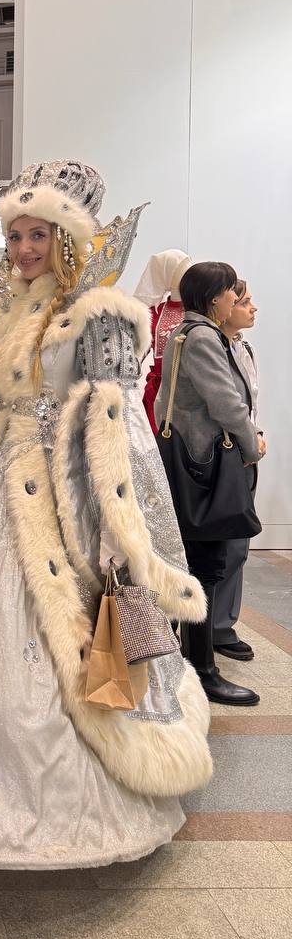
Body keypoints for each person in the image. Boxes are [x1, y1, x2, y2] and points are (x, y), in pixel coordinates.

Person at [0, 160, 213, 869]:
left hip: (69, 500)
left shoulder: (102, 315)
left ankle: (83, 807)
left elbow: (120, 434)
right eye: (16, 235)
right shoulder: (11, 311)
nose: (25, 248)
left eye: (38, 234)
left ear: (67, 236)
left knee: (74, 647)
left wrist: (121, 536)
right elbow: (1, 405)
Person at [156, 262, 263, 706]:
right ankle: (202, 671)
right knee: (205, 565)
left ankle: (183, 664)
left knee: (193, 563)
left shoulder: (188, 333)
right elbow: (227, 404)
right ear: (214, 297)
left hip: (193, 464)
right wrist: (252, 446)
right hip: (204, 468)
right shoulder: (201, 337)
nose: (235, 299)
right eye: (230, 292)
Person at [213, 280, 263, 661]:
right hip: (226, 457)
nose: (251, 307)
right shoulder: (211, 348)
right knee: (221, 547)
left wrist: (256, 437)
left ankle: (222, 623)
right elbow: (225, 408)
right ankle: (214, 627)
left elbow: (248, 406)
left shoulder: (244, 349)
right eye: (243, 301)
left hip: (245, 455)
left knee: (238, 546)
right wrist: (248, 443)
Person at [133, 250, 192, 433]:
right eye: (181, 269)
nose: (188, 273)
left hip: (190, 391)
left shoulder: (198, 310)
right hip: (159, 392)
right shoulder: (153, 314)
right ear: (167, 274)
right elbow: (136, 355)